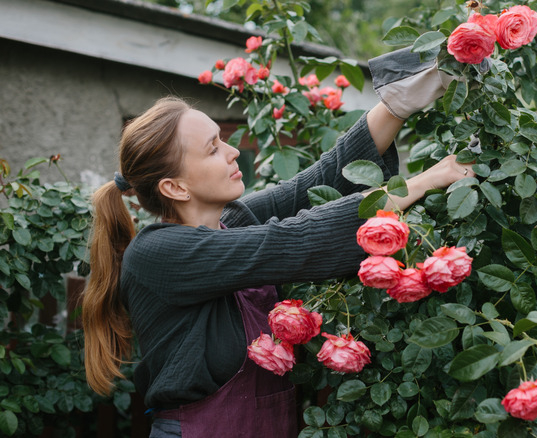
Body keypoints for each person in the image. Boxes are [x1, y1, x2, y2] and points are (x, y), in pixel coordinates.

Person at [81, 48, 474, 438]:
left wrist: (400, 101)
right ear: (175, 187)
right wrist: (424, 181)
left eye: (223, 139)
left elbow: (321, 179)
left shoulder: (231, 222)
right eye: (213, 149)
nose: (233, 151)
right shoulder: (156, 254)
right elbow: (287, 241)